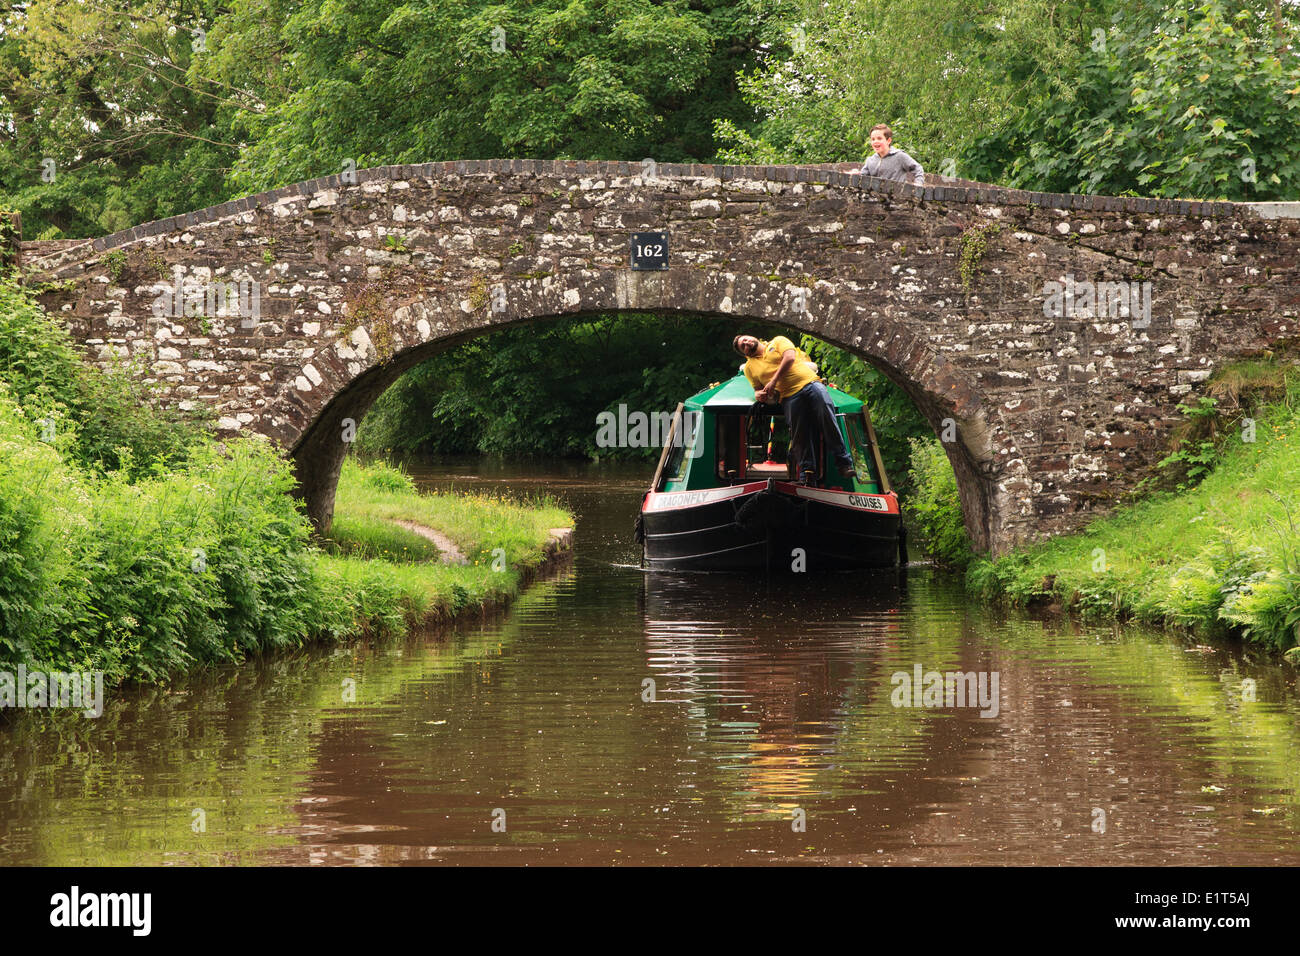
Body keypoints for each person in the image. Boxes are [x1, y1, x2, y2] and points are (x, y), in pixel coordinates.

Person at [732, 333, 860, 487]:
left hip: (811, 384)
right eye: (742, 346)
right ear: (744, 353)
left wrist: (773, 381)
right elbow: (758, 389)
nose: (746, 343)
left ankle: (844, 464)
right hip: (788, 396)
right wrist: (758, 394)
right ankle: (807, 475)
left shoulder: (778, 341)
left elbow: (790, 358)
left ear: (753, 337)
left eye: (746, 339)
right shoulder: (749, 368)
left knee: (827, 416)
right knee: (799, 434)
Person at [856, 124, 924, 185]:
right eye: (873, 139)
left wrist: (918, 184)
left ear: (888, 141)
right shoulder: (870, 160)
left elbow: (918, 169)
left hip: (897, 197)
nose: (875, 142)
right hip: (875, 197)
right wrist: (855, 174)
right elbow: (862, 177)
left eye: (879, 138)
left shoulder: (899, 156)